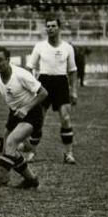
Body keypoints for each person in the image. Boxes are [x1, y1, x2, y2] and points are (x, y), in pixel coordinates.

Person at [0, 46, 46, 196]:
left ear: (8, 60)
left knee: (12, 141)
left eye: (0, 60)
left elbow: (43, 93)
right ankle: (31, 179)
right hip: (14, 114)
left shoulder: (21, 75)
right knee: (8, 148)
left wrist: (26, 108)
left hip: (32, 113)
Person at [27, 17, 78, 164]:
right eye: (48, 26)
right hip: (44, 83)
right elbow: (30, 67)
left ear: (59, 28)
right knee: (38, 120)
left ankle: (68, 154)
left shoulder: (67, 48)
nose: (50, 28)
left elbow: (73, 71)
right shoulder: (40, 46)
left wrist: (74, 91)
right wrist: (33, 85)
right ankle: (32, 152)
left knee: (66, 119)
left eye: (53, 26)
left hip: (61, 83)